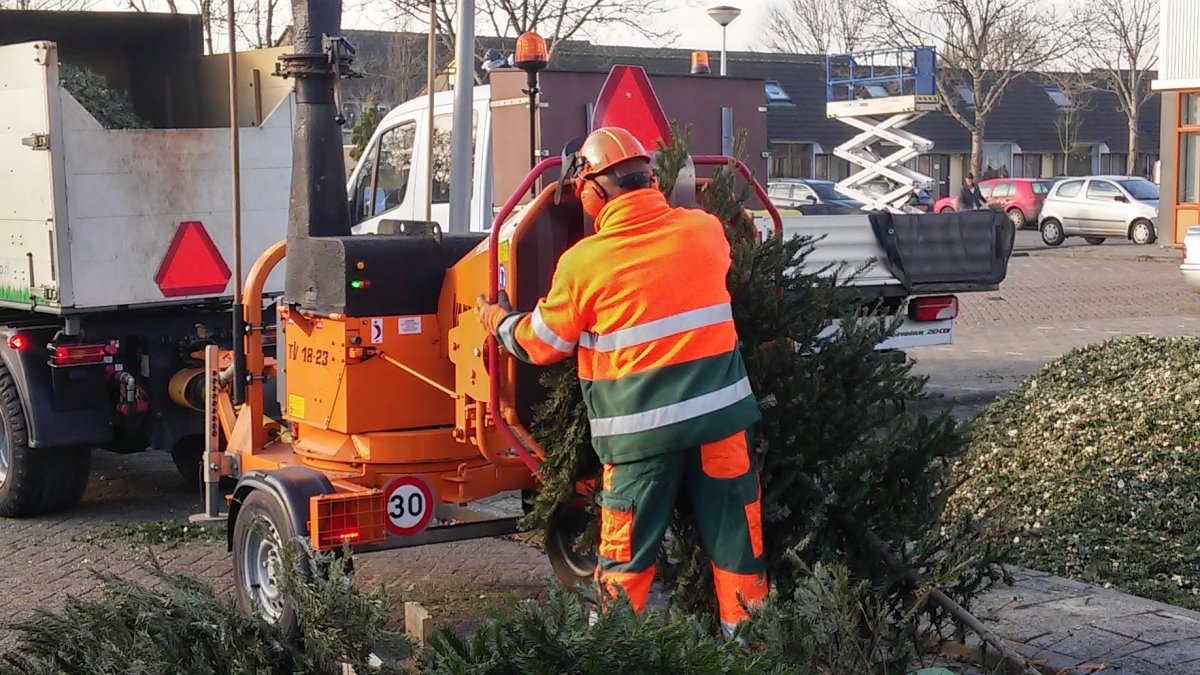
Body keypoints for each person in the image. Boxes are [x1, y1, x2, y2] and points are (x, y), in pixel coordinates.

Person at [475, 126, 767, 637]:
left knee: (625, 565)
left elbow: (543, 344)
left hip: (640, 443)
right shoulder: (704, 231)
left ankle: (610, 654)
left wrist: (498, 321)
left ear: (591, 191)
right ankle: (752, 654)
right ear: (651, 179)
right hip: (722, 430)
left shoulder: (585, 263)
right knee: (740, 552)